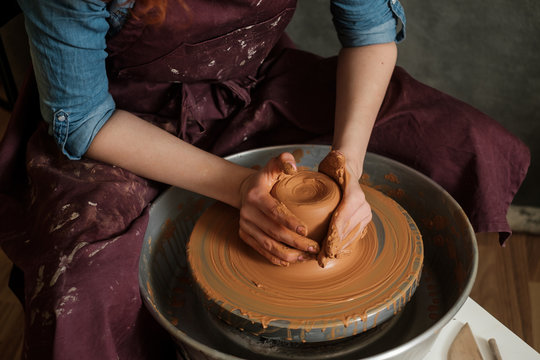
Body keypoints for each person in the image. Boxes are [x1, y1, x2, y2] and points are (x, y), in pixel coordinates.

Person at [0, 0, 529, 359]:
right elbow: (83, 118)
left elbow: (370, 31)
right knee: (87, 285)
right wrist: (233, 186)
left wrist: (346, 165)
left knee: (461, 141)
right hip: (126, 117)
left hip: (251, 82)